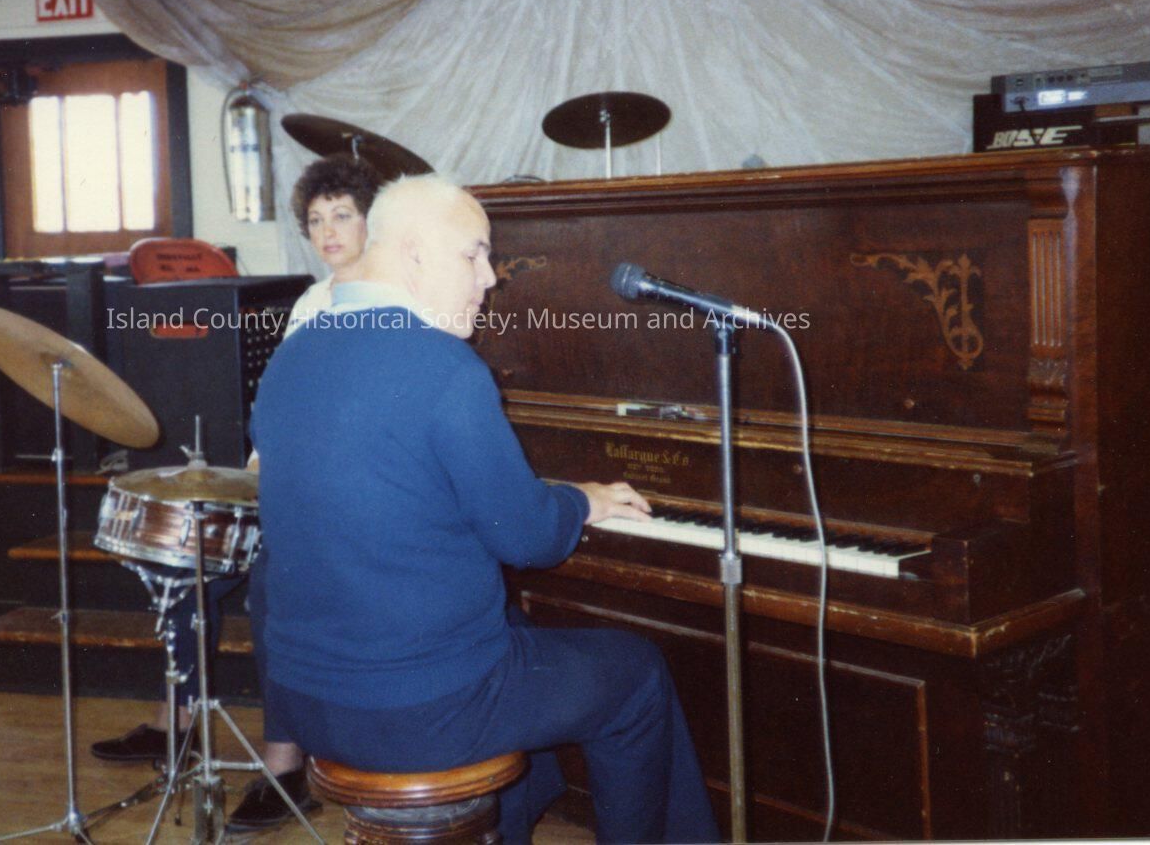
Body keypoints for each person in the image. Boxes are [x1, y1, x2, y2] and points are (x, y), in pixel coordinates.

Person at [249, 175, 719, 843]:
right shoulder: (445, 366)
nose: (490, 278)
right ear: (413, 253)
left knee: (517, 634)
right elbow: (528, 539)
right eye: (473, 253)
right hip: (418, 709)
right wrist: (581, 500)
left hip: (305, 702)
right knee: (636, 674)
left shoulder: (291, 356)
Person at [91, 155, 380, 795]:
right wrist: (253, 471)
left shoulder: (387, 302)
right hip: (284, 482)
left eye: (342, 215)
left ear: (372, 222)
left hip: (339, 501)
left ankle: (285, 763)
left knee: (272, 589)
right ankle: (178, 723)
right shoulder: (312, 301)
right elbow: (283, 403)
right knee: (183, 562)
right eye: (316, 220)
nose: (328, 232)